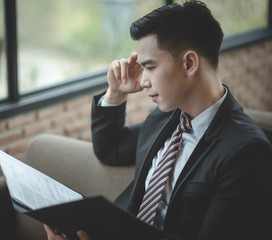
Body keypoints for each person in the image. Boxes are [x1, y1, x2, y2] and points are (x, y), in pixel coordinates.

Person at [45, 1, 272, 239]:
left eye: (150, 67)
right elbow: (110, 150)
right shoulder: (166, 116)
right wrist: (116, 94)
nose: (143, 81)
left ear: (189, 63)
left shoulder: (246, 153)